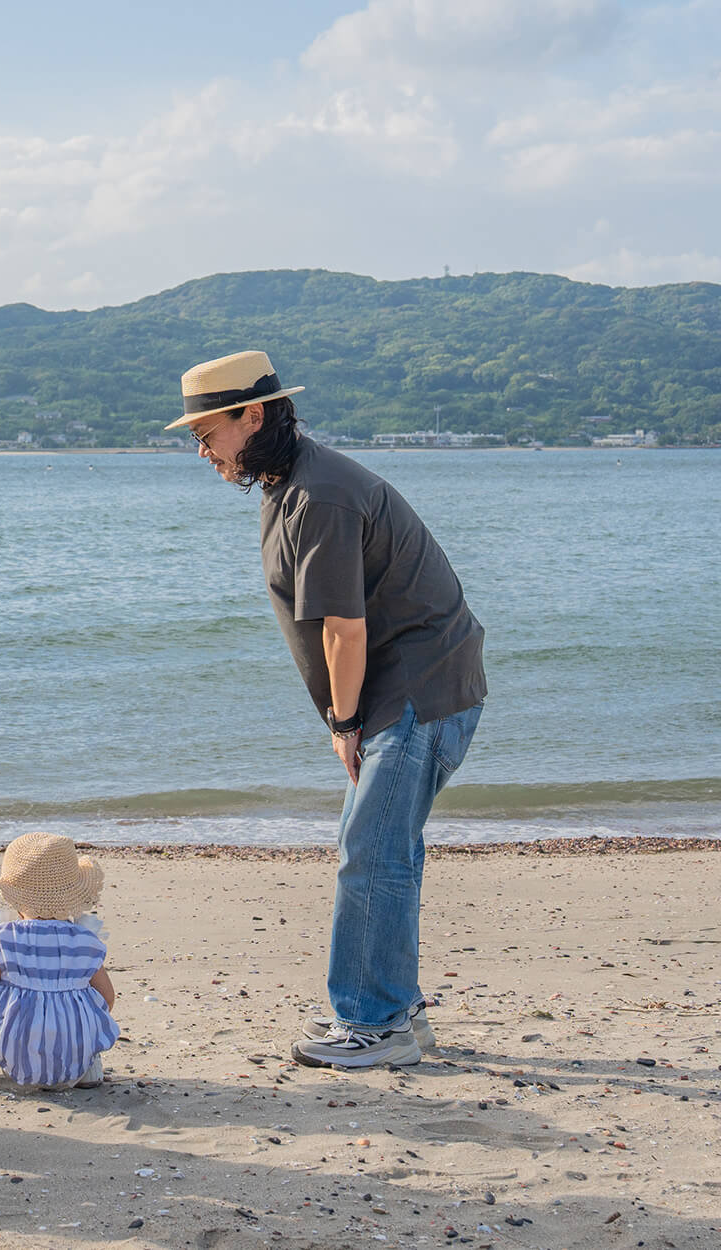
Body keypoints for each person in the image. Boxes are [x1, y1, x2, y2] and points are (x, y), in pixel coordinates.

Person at [168, 349, 485, 1070]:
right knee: (381, 852)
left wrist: (346, 725)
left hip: (418, 689)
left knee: (369, 854)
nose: (202, 450)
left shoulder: (321, 495)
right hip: (404, 688)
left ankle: (373, 1022)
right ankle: (396, 1012)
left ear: (252, 415)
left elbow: (343, 628)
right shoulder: (288, 483)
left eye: (207, 432)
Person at [0, 832, 118, 1093]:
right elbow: (107, 997)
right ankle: (89, 1068)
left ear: (13, 896)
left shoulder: (6, 937)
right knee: (91, 1002)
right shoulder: (85, 940)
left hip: (17, 1051)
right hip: (74, 1056)